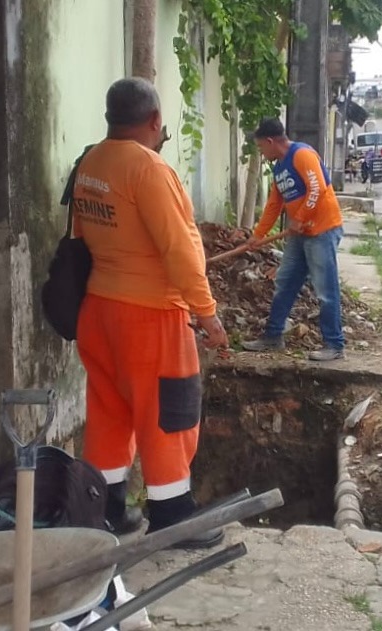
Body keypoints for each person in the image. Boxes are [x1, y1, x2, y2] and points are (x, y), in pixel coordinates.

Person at [72, 77, 229, 545]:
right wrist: (207, 314)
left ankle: (105, 513)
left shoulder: (90, 162)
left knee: (109, 414)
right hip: (151, 317)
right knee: (168, 417)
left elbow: (83, 235)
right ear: (155, 121)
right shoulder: (149, 169)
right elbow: (179, 251)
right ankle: (172, 517)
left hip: (98, 311)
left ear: (109, 117)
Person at [241, 118, 346, 361]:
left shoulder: (302, 154)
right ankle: (273, 336)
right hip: (300, 235)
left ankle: (334, 344)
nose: (261, 151)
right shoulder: (279, 167)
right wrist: (258, 236)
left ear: (270, 141)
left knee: (325, 290)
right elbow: (274, 205)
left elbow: (317, 188)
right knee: (285, 283)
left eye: (261, 147)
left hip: (322, 231)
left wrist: (299, 218)